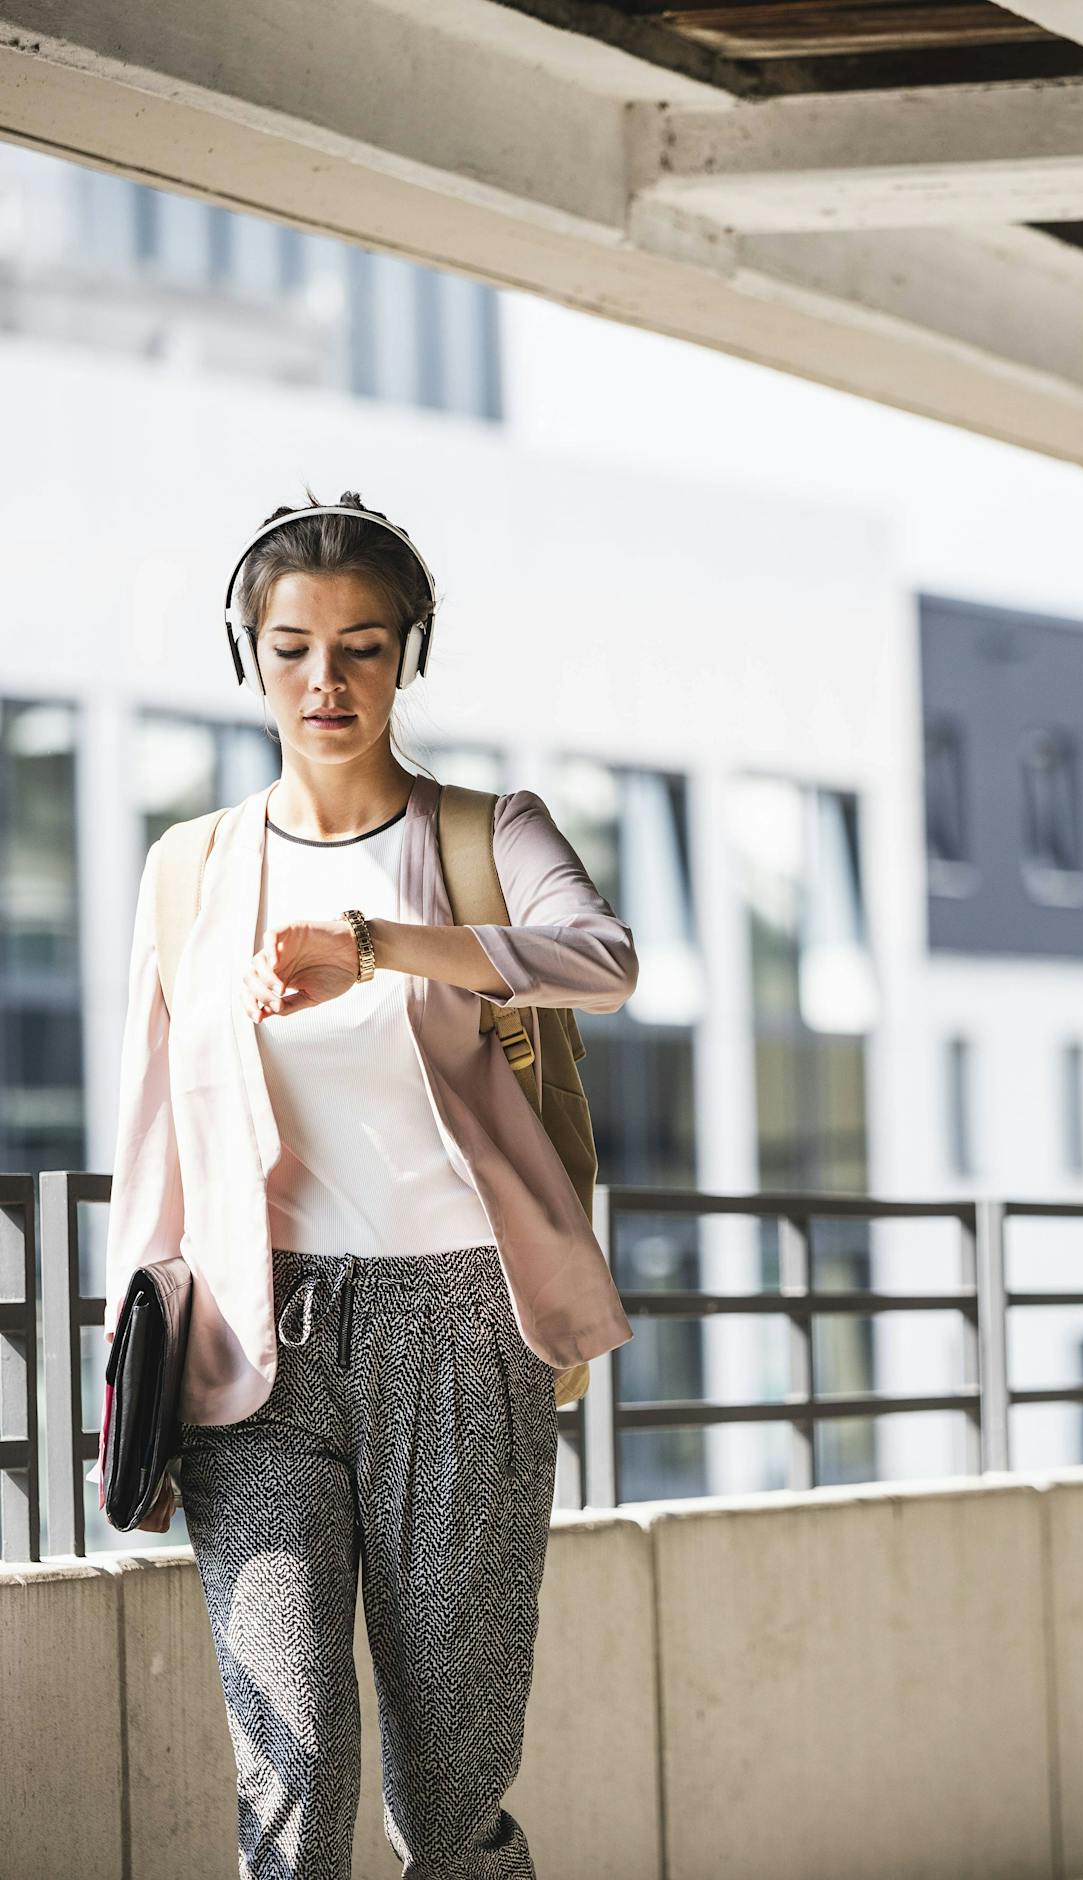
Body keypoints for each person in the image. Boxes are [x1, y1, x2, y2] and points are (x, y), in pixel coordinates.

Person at [93, 490, 636, 1878]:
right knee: (292, 1774)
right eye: (291, 649)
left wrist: (378, 945)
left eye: (362, 648)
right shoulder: (190, 870)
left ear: (409, 655)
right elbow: (152, 1134)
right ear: (250, 658)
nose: (324, 682)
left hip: (462, 1328)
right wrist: (129, 1375)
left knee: (448, 1795)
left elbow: (603, 959)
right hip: (252, 1346)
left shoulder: (482, 835)